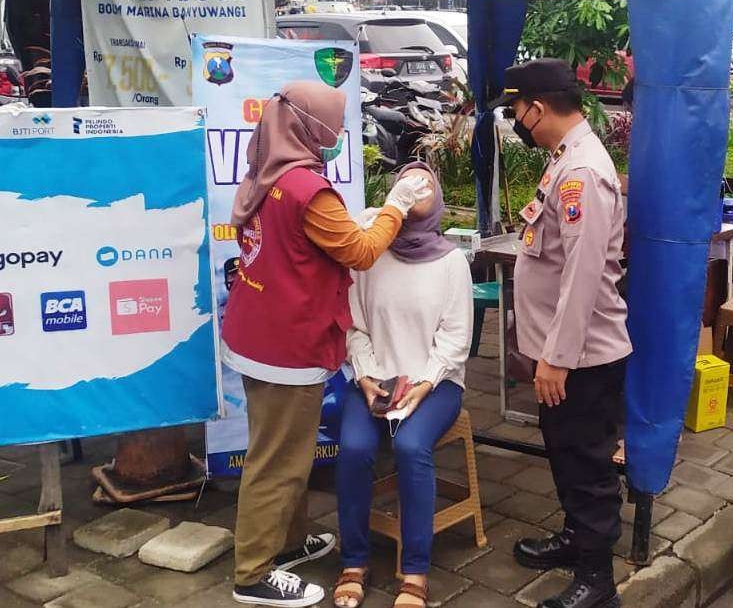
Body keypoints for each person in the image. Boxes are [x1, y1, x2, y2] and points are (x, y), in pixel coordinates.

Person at [221, 81, 433, 608]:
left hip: (255, 331)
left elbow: (307, 240)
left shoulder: (267, 172)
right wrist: (395, 206)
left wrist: (349, 222)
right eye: (334, 126)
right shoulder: (306, 189)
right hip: (285, 344)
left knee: (280, 448)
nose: (339, 134)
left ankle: (286, 543)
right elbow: (360, 253)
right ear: (310, 128)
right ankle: (252, 573)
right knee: (279, 461)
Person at [489, 59, 633, 608]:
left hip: (582, 357)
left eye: (518, 112)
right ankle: (577, 540)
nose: (518, 122)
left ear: (538, 108)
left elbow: (583, 275)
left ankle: (598, 582)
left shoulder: (582, 175)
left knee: (589, 464)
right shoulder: (566, 160)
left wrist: (558, 358)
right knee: (565, 452)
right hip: (565, 353)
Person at [331, 162, 473, 608]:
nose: (416, 186)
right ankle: (353, 561)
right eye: (406, 181)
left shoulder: (451, 262)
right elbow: (354, 326)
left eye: (426, 180)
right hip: (375, 379)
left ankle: (415, 570)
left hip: (436, 383)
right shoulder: (370, 257)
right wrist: (368, 374)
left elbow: (455, 339)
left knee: (412, 446)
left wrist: (425, 383)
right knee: (353, 448)